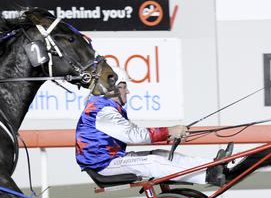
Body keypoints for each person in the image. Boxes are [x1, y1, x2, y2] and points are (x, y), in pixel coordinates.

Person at [75, 67, 226, 185]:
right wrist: (169, 131)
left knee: (160, 154)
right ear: (115, 87)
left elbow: (136, 133)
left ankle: (212, 165)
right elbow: (135, 136)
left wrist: (169, 135)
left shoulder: (106, 108)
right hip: (103, 167)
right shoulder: (102, 110)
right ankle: (206, 176)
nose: (127, 91)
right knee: (152, 162)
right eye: (124, 86)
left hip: (112, 159)